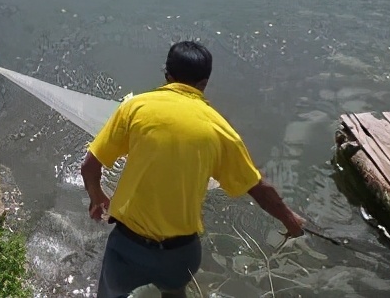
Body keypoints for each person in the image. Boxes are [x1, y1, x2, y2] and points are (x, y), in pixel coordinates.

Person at [81, 41, 306, 298]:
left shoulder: (135, 108)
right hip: (180, 255)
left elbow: (90, 165)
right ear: (204, 83)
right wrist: (290, 220)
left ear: (167, 74)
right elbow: (258, 188)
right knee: (175, 292)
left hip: (128, 248)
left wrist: (96, 195)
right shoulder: (220, 129)